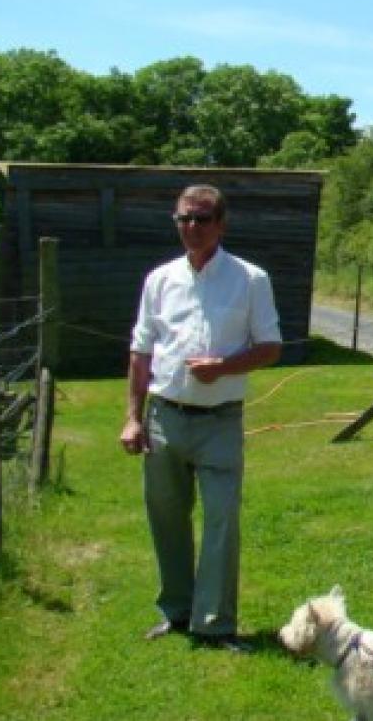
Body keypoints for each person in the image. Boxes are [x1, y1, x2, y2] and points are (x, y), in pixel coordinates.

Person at [119, 184, 281, 653]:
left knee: (222, 518)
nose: (192, 227)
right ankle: (177, 611)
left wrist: (224, 367)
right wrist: (133, 417)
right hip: (165, 416)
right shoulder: (160, 280)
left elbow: (271, 347)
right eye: (184, 219)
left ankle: (215, 623)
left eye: (202, 219)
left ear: (221, 224)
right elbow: (140, 351)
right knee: (167, 517)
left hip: (219, 420)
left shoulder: (250, 279)